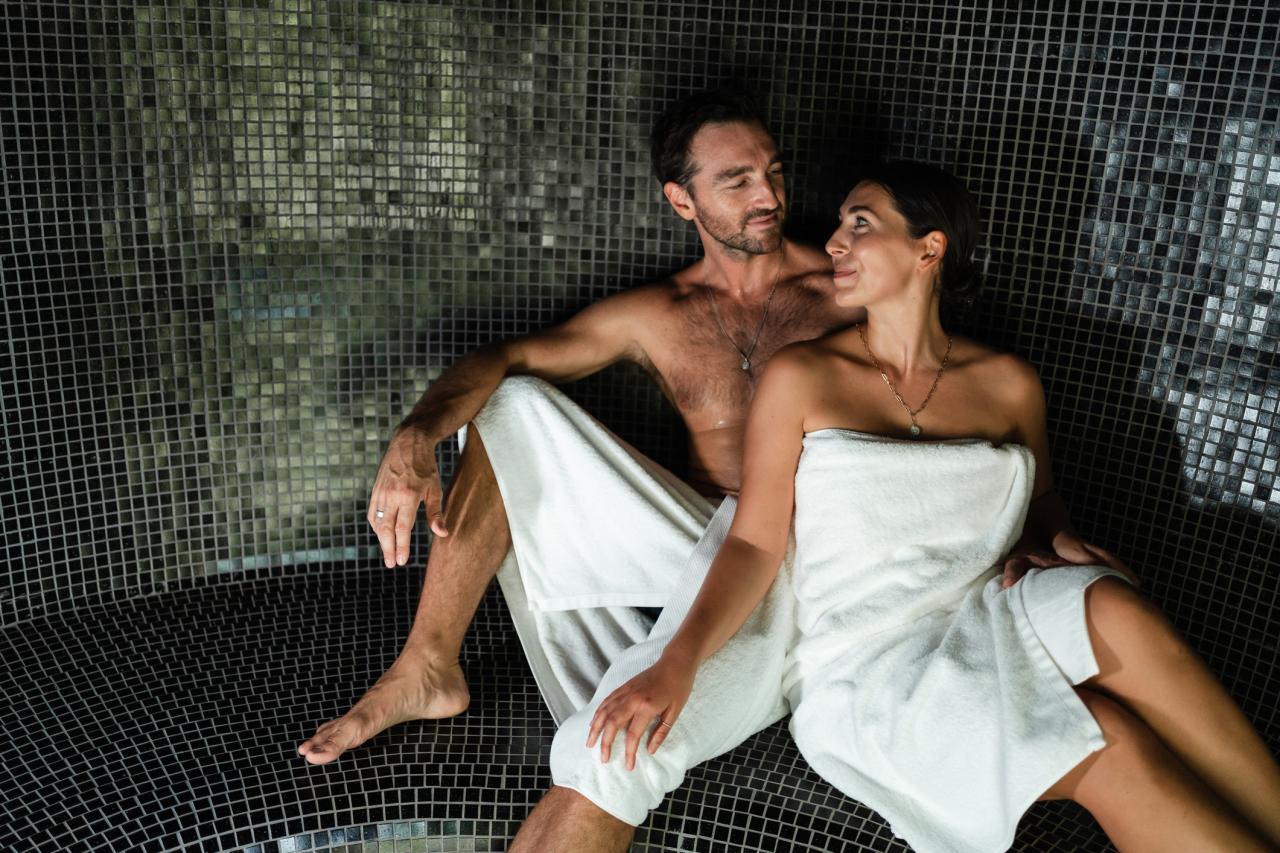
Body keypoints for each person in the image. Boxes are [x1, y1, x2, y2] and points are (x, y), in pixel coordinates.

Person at [551, 162, 1280, 853]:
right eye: (839, 225)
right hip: (867, 663)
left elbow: (1041, 497)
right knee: (1110, 740)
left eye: (859, 224)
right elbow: (753, 545)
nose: (834, 241)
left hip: (982, 611)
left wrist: (1054, 538)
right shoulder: (802, 376)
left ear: (928, 248)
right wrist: (677, 662)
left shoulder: (1007, 383)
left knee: (1115, 606)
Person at [295, 89, 867, 842]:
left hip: (791, 563)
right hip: (691, 544)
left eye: (774, 170)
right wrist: (415, 436)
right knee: (506, 402)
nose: (769, 195)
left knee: (610, 757)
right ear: (681, 199)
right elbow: (501, 360)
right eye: (737, 180)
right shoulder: (659, 314)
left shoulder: (846, 294)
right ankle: (427, 663)